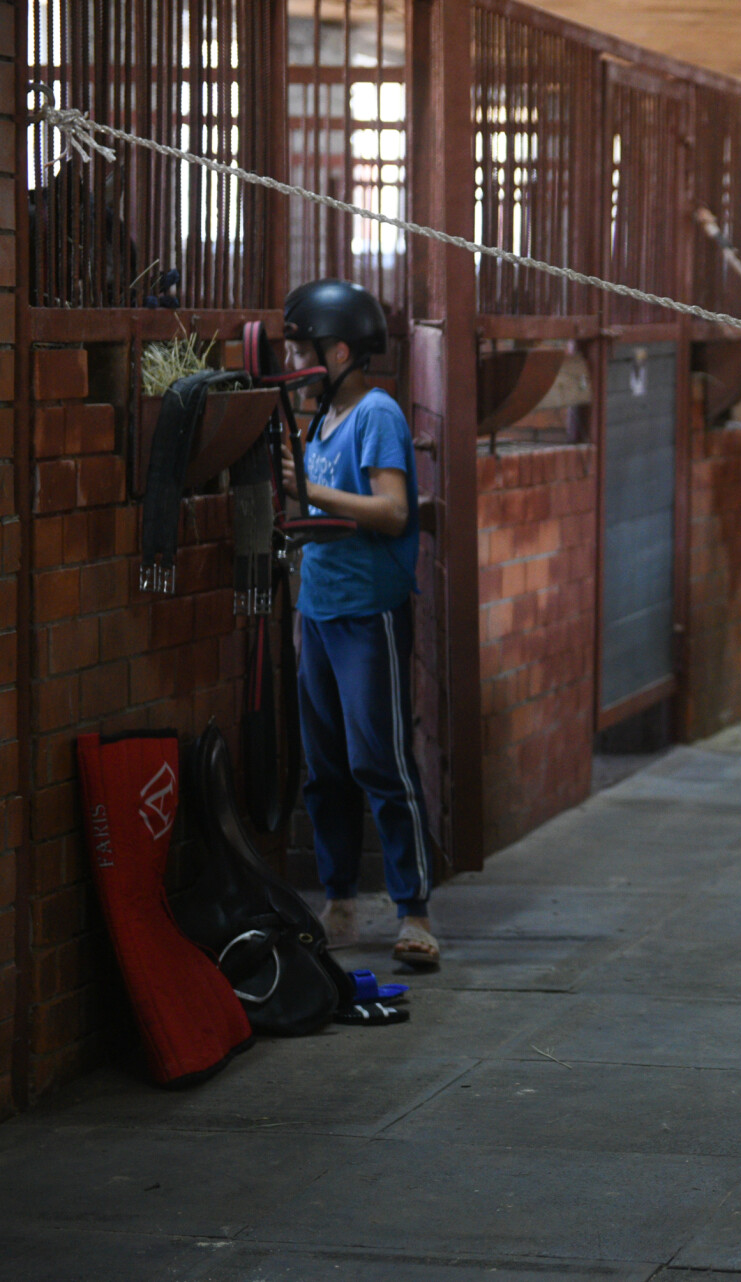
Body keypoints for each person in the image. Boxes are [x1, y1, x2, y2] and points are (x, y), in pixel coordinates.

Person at [276, 279, 438, 969]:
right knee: (326, 767)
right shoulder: (319, 420)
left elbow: (393, 512)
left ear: (339, 350)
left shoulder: (376, 415)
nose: (298, 362)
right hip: (316, 611)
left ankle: (415, 910)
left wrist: (307, 491)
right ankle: (339, 896)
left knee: (382, 760)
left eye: (305, 350)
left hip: (366, 613)